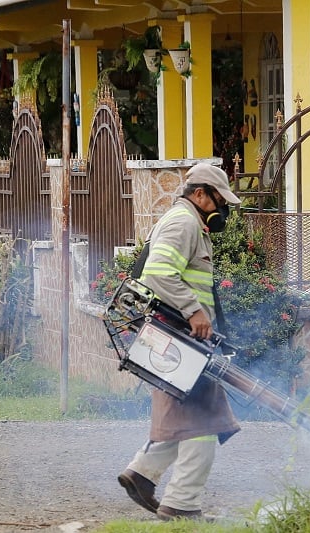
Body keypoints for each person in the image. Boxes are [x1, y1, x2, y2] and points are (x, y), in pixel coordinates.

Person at [117, 162, 242, 521]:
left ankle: (142, 473)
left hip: (179, 336)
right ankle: (182, 505)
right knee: (204, 421)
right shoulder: (183, 222)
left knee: (186, 414)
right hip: (179, 335)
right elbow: (158, 274)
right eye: (220, 201)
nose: (223, 210)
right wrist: (194, 312)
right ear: (200, 194)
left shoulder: (188, 222)